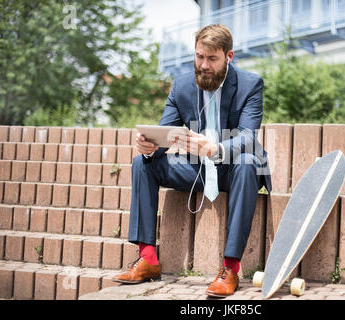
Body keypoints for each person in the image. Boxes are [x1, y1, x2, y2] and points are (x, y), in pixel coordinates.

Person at [113, 24, 272, 297]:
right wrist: (149, 146)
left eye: (212, 59)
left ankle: (230, 268)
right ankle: (148, 259)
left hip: (233, 168)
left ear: (229, 56)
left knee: (248, 162)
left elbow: (247, 137)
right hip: (196, 169)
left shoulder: (250, 84)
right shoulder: (182, 86)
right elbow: (167, 133)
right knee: (143, 164)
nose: (204, 65)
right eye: (199, 56)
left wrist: (215, 147)